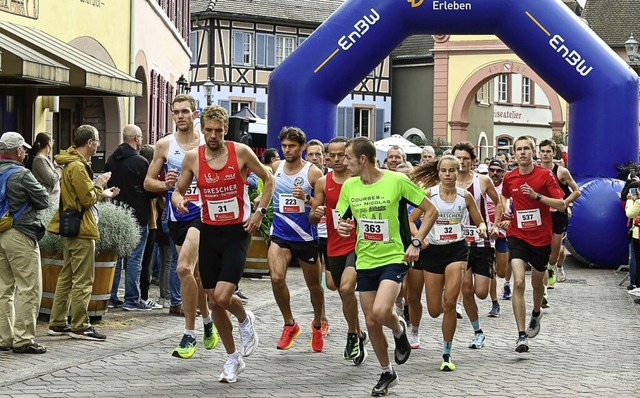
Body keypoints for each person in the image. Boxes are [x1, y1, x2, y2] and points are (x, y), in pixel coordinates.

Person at [172, 105, 274, 383]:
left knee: (222, 295)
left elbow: (268, 179)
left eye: (218, 130)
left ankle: (244, 319)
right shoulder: (193, 158)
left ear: (225, 130)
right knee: (214, 301)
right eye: (209, 130)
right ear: (202, 129)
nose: (213, 135)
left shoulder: (240, 152)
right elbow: (178, 191)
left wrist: (259, 212)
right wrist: (178, 200)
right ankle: (232, 358)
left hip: (238, 231)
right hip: (210, 231)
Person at [337, 137, 438, 397]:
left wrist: (415, 242)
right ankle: (386, 372)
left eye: (347, 158)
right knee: (371, 321)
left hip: (394, 257)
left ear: (362, 159)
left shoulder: (396, 181)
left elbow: (431, 210)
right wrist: (343, 225)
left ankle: (398, 328)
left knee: (381, 312)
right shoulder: (349, 186)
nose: (343, 162)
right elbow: (343, 218)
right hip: (365, 259)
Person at [143, 94, 217, 358]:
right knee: (193, 276)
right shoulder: (164, 145)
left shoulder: (207, 143)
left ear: (195, 114)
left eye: (185, 111)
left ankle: (188, 334)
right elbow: (147, 182)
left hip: (202, 215)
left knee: (183, 268)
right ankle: (207, 322)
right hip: (176, 217)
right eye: (176, 112)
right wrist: (166, 184)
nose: (180, 116)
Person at [410, 155, 487, 371]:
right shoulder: (429, 195)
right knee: (435, 309)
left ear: (458, 171)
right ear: (438, 172)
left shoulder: (465, 196)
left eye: (451, 170)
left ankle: (446, 353)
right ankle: (442, 337)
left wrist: (481, 228)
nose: (447, 175)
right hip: (433, 251)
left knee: (450, 302)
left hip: (457, 250)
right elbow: (410, 220)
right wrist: (419, 238)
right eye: (443, 170)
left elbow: (479, 220)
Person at [47, 125, 119, 341]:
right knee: (83, 279)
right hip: (82, 229)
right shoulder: (78, 167)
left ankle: (58, 321)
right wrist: (99, 185)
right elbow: (87, 199)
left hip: (71, 227)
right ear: (89, 143)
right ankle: (81, 325)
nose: (98, 144)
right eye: (97, 140)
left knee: (67, 276)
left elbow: (81, 196)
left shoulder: (71, 163)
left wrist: (100, 191)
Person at [500, 136, 565, 353]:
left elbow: (562, 204)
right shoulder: (510, 177)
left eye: (526, 148)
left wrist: (537, 196)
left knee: (537, 285)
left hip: (541, 238)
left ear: (533, 151)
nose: (522, 153)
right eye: (518, 149)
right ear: (514, 153)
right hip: (517, 235)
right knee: (519, 282)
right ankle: (520, 336)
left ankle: (536, 313)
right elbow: (505, 197)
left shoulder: (545, 175)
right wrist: (507, 210)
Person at [310, 136, 368, 364]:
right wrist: (314, 215)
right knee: (334, 286)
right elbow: (314, 217)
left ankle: (352, 335)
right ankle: (359, 331)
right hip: (334, 243)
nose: (336, 159)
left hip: (359, 243)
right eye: (331, 155)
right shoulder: (324, 182)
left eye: (341, 155)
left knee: (346, 289)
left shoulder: (360, 179)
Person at [268, 127, 325, 352]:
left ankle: (318, 325)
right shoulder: (276, 168)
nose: (287, 150)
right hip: (281, 234)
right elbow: (268, 190)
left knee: (314, 287)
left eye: (292, 146)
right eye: (284, 146)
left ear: (302, 147)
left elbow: (321, 207)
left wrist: (308, 198)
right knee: (276, 277)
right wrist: (260, 205)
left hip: (305, 236)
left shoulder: (313, 173)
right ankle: (289, 324)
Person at [0, 132, 49, 354]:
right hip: (19, 233)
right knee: (28, 287)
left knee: (3, 289)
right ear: (18, 151)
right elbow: (43, 200)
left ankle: (4, 338)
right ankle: (23, 339)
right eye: (24, 149)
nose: (26, 152)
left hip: (0, 233)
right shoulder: (22, 174)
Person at [451, 142, 502, 351]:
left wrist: (496, 225)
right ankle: (478, 331)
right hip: (458, 242)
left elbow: (498, 202)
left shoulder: (482, 181)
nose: (462, 162)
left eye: (465, 158)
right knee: (466, 288)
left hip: (482, 241)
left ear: (472, 160)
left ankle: (492, 286)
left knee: (481, 291)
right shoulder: (447, 182)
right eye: (458, 158)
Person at [106, 125, 157, 311]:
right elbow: (149, 190)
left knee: (117, 258)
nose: (142, 141)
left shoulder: (111, 160)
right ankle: (131, 299)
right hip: (138, 215)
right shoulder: (141, 162)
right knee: (135, 258)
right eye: (141, 137)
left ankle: (111, 296)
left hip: (117, 214)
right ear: (136, 138)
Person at [538, 139, 581, 287]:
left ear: (553, 153)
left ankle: (552, 266)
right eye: (543, 151)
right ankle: (543, 277)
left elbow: (577, 192)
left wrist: (564, 204)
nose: (545, 154)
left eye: (548, 151)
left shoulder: (561, 171)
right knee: (541, 248)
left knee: (555, 250)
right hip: (541, 214)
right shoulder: (535, 171)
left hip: (558, 214)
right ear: (538, 153)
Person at [305, 138, 331, 336]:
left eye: (317, 154)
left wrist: (306, 199)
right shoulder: (303, 177)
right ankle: (322, 319)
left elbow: (326, 206)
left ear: (325, 157)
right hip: (313, 233)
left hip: (333, 234)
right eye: (310, 154)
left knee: (334, 282)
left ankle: (353, 320)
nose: (314, 158)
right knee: (317, 282)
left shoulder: (332, 178)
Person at [485, 159, 512, 316]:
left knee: (501, 272)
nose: (494, 173)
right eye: (492, 170)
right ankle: (495, 303)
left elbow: (511, 206)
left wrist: (508, 219)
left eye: (498, 170)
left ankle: (505, 282)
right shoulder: (482, 184)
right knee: (491, 271)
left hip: (502, 232)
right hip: (486, 232)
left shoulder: (506, 187)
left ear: (503, 172)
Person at [28, 132, 61, 205]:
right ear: (49, 143)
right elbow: (52, 180)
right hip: (49, 200)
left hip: (53, 199)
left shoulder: (45, 159)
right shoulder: (40, 159)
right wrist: (59, 168)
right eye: (52, 141)